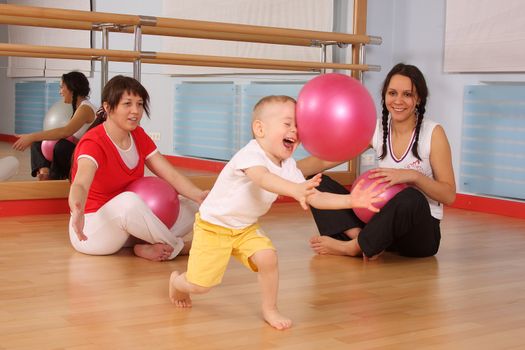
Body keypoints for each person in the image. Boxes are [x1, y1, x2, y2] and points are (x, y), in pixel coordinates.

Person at [169, 95, 384, 330]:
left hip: (244, 228)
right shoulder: (250, 154)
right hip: (214, 227)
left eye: (298, 127)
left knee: (268, 257)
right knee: (201, 285)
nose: (295, 130)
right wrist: (296, 189)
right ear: (260, 129)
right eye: (287, 124)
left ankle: (270, 309)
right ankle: (178, 283)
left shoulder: (288, 166)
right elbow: (263, 179)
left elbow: (316, 198)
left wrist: (352, 200)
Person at [298, 63, 456, 260]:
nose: (398, 100)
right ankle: (364, 239)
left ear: (419, 99)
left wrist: (413, 176)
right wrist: (277, 171)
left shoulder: (433, 133)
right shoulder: (378, 130)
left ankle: (355, 247)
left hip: (418, 235)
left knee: (412, 197)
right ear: (384, 95)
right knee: (316, 182)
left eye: (407, 94)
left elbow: (449, 195)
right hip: (377, 221)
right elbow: (325, 162)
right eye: (392, 93)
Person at [68, 75, 207, 262]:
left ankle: (146, 246)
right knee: (128, 201)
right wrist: (77, 209)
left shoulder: (138, 135)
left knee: (192, 204)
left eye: (140, 104)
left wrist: (200, 196)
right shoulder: (94, 142)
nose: (136, 111)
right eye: (127, 104)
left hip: (128, 227)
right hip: (92, 231)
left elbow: (171, 175)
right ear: (108, 107)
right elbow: (81, 184)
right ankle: (178, 247)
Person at [12, 71, 97, 180]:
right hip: (78, 150)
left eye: (62, 87)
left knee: (61, 146)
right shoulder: (79, 107)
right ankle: (45, 172)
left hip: (86, 156)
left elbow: (65, 132)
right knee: (37, 143)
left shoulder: (85, 108)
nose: (60, 92)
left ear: (72, 88)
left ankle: (55, 178)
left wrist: (31, 136)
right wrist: (33, 138)